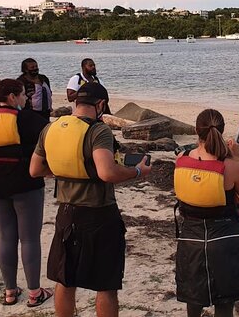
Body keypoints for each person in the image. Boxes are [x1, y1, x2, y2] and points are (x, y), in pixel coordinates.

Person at [30, 82, 151, 317]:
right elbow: (107, 173)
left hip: (66, 212)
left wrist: (64, 169)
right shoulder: (98, 131)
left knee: (65, 279)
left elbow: (35, 169)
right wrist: (136, 172)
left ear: (76, 102)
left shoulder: (50, 129)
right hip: (99, 213)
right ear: (101, 105)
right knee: (105, 283)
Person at [174, 109, 239, 317]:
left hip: (190, 238)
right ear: (222, 131)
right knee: (225, 302)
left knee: (193, 299)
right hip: (225, 238)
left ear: (196, 130)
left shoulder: (181, 159)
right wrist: (236, 157)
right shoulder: (231, 166)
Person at [0, 78, 52, 306]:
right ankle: (34, 293)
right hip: (24, 182)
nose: (27, 98)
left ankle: (10, 291)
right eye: (23, 95)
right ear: (12, 97)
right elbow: (50, 141)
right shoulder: (29, 119)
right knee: (29, 238)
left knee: (6, 237)